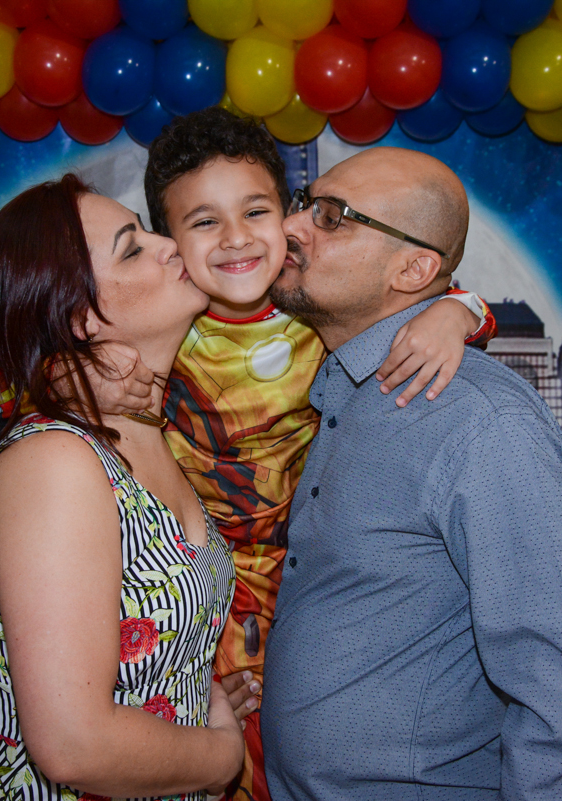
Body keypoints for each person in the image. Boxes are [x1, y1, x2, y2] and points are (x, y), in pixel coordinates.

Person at [140, 108, 496, 801]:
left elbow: (440, 288)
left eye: (256, 211)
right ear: (168, 243)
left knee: (303, 742)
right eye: (204, 221)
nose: (237, 237)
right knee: (218, 749)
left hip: (313, 578)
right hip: (200, 586)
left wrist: (456, 313)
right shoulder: (161, 320)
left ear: (287, 216)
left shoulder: (317, 304)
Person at [259, 147, 562, 800]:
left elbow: (558, 690)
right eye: (304, 204)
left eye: (332, 216)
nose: (291, 225)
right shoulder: (349, 393)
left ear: (414, 269)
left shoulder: (483, 422)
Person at [0, 175, 258, 801]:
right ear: (80, 319)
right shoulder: (55, 462)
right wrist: (220, 755)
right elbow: (73, 745)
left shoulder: (149, 436)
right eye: (132, 249)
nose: (169, 244)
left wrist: (191, 697)